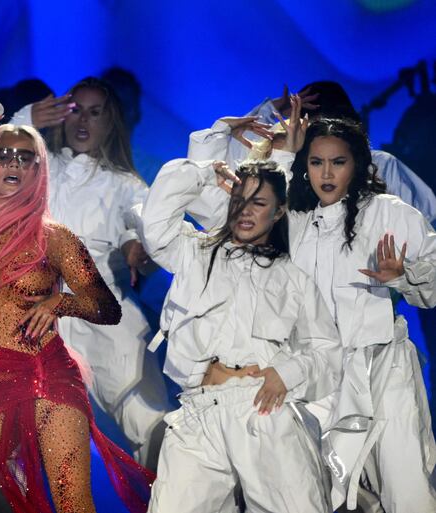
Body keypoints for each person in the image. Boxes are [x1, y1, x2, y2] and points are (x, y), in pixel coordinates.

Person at [0, 102, 154, 513]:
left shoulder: (54, 237)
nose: (14, 164)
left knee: (73, 500)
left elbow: (105, 307)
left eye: (26, 159)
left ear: (37, 173)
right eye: (3, 155)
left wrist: (60, 302)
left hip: (49, 374)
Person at [139, 153, 342, 512]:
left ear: (278, 211)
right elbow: (155, 222)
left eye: (258, 203)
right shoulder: (195, 253)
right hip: (197, 414)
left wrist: (286, 373)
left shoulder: (292, 277)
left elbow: (328, 351)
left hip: (261, 410)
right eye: (238, 201)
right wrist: (202, 173)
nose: (245, 211)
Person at [11, 77, 171, 468]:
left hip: (102, 313)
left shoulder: (124, 185)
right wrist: (24, 119)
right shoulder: (40, 171)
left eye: (95, 112)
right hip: (38, 314)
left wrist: (140, 248)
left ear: (110, 122)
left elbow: (146, 228)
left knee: (148, 420)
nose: (84, 120)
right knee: (17, 432)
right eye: (76, 109)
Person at [281, 111, 436, 511]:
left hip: (382, 371)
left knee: (406, 487)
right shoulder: (297, 220)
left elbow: (432, 283)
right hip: (318, 377)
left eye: (338, 162)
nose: (326, 173)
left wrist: (403, 275)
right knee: (317, 490)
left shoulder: (389, 213)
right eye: (316, 162)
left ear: (358, 165)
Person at [189, 81, 436, 223]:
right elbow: (212, 197)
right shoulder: (282, 167)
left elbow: (424, 223)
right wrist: (265, 112)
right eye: (311, 124)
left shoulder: (379, 166)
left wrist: (398, 279)